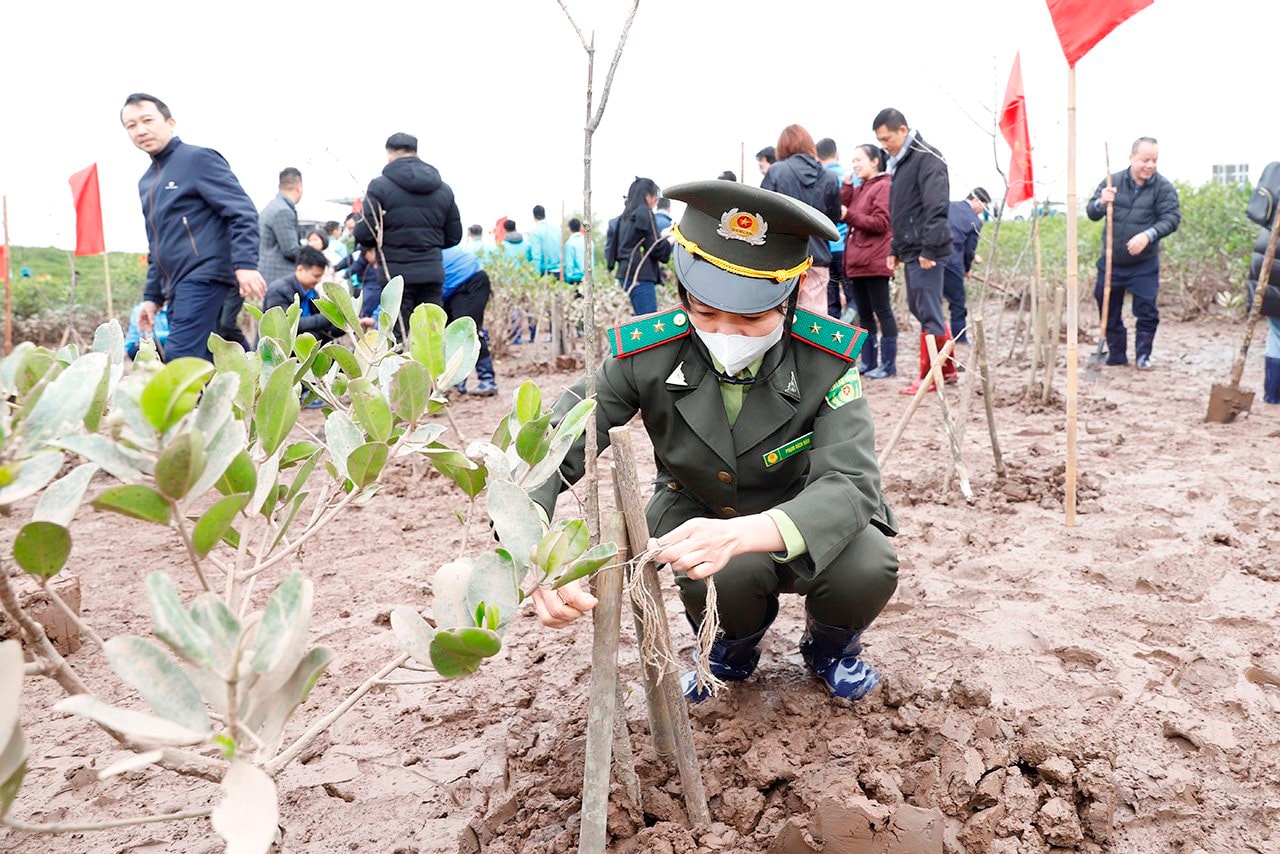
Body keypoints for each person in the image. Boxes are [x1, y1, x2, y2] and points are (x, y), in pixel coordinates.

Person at [527, 180, 899, 702]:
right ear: (683, 295)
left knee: (869, 561)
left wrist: (753, 530)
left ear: (788, 300)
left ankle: (830, 647)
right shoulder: (645, 355)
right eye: (705, 314)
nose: (727, 332)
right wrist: (534, 550)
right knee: (720, 569)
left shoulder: (826, 361)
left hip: (798, 510)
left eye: (751, 318)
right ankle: (731, 649)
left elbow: (853, 484)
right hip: (698, 509)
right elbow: (548, 448)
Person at [121, 93, 265, 362]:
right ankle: (239, 395)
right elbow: (157, 246)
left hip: (205, 274)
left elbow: (242, 211)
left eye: (147, 120)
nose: (140, 130)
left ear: (170, 122)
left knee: (181, 357)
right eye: (131, 125)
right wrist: (151, 297)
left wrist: (245, 264)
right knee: (207, 353)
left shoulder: (197, 160)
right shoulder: (147, 182)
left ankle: (188, 405)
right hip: (177, 285)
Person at [873, 107, 955, 394]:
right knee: (920, 306)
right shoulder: (901, 162)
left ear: (903, 131)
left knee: (927, 309)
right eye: (880, 141)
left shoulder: (926, 158)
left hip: (927, 248)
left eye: (887, 139)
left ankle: (930, 375)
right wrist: (895, 248)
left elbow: (936, 206)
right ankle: (947, 367)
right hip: (911, 247)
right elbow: (902, 211)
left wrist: (929, 249)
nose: (884, 145)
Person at [355, 132, 462, 338]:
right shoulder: (443, 189)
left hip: (395, 276)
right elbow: (453, 236)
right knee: (431, 338)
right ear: (416, 152)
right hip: (431, 272)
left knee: (394, 337)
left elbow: (365, 233)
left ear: (389, 156)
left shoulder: (379, 186)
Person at [1086, 137, 1181, 369]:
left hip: (1144, 264)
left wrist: (1148, 234)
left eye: (1154, 161)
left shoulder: (1163, 187)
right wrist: (1101, 202)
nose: (1150, 165)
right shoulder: (1112, 182)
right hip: (1111, 262)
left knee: (1147, 309)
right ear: (1132, 158)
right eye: (1145, 160)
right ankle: (1117, 355)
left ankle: (1143, 356)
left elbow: (1171, 218)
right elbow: (1091, 212)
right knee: (1107, 306)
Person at [762, 125, 841, 315]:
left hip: (781, 260)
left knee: (779, 318)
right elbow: (834, 219)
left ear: (782, 147)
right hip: (818, 258)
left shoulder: (776, 172)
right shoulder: (829, 177)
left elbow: (762, 215)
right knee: (814, 324)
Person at [841, 144, 898, 379]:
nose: (854, 165)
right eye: (853, 161)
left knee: (882, 311)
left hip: (875, 260)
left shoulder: (884, 186)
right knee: (864, 313)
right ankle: (868, 361)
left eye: (859, 160)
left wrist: (850, 216)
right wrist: (846, 186)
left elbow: (881, 222)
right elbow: (841, 210)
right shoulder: (860, 187)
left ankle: (888, 364)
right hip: (856, 260)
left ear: (875, 161)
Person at [608, 177, 671, 315]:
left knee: (638, 322)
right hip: (640, 275)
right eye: (655, 196)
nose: (655, 201)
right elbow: (655, 247)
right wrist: (669, 241)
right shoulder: (644, 212)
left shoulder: (625, 216)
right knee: (648, 323)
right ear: (648, 196)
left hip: (626, 273)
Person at [441, 245, 498, 396]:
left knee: (469, 331)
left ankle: (487, 381)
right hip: (451, 288)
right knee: (448, 335)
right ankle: (455, 384)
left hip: (471, 280)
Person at [263, 246, 351, 341]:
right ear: (300, 269)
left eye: (320, 276)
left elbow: (322, 329)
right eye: (316, 276)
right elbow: (287, 326)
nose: (319, 280)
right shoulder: (278, 290)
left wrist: (347, 324)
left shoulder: (312, 292)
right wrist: (328, 317)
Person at [942, 187, 991, 345]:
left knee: (933, 303)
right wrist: (967, 269)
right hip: (953, 263)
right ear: (976, 200)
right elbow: (968, 250)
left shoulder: (948, 206)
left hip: (933, 258)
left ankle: (936, 338)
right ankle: (959, 339)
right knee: (957, 303)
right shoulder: (974, 221)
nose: (984, 210)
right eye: (985, 205)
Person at [817, 137, 850, 319]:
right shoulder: (850, 178)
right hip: (847, 248)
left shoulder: (818, 179)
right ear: (837, 155)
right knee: (854, 299)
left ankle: (835, 344)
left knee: (832, 301)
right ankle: (854, 342)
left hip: (825, 248)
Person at [528, 205, 563, 280]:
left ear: (534, 216)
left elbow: (537, 256)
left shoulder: (535, 232)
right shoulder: (557, 229)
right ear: (545, 214)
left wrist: (536, 276)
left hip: (546, 273)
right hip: (560, 271)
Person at [563, 218, 585, 285]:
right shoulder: (589, 241)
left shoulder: (569, 243)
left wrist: (567, 280)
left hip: (575, 279)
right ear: (580, 227)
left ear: (569, 228)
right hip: (588, 279)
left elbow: (569, 265)